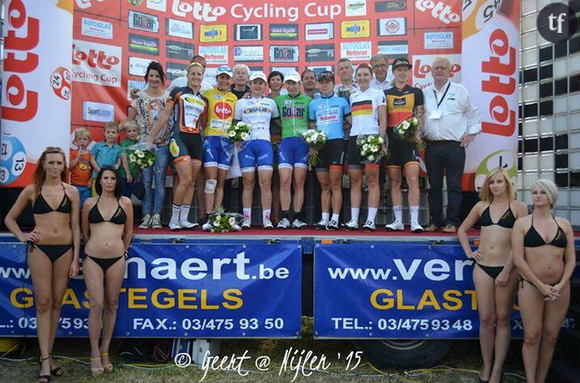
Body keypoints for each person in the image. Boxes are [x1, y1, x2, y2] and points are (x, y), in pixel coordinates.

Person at [4, 147, 80, 383]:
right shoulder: (32, 190)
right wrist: (23, 236)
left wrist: (77, 257)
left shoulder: (73, 191)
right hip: (40, 250)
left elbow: (76, 227)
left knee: (57, 302)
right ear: (44, 165)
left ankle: (49, 354)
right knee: (44, 302)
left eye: (59, 163)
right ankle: (45, 360)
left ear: (63, 166)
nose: (56, 167)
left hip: (65, 250)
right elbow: (9, 218)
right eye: (52, 163)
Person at [458, 168, 528, 383]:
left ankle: (498, 369)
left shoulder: (519, 208)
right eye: (491, 182)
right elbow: (462, 230)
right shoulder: (481, 206)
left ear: (507, 184)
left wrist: (507, 270)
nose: (495, 185)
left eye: (499, 181)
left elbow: (521, 243)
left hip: (507, 268)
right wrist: (470, 253)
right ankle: (487, 367)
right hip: (483, 268)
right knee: (486, 319)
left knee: (503, 318)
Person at [512, 179, 575, 383]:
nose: (537, 196)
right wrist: (541, 286)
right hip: (531, 286)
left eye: (542, 192)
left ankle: (541, 379)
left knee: (550, 337)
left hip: (559, 287)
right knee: (532, 336)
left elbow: (571, 259)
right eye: (534, 192)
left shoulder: (563, 224)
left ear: (551, 196)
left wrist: (560, 284)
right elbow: (518, 259)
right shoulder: (522, 224)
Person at [81, 166, 133, 377]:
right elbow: (84, 231)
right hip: (92, 258)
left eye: (112, 178)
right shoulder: (89, 203)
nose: (109, 181)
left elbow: (129, 231)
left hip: (117, 259)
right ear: (99, 181)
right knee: (96, 305)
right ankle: (94, 352)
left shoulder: (126, 203)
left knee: (112, 304)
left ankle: (105, 351)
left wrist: (124, 251)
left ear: (116, 181)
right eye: (105, 178)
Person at [423, 57, 482, 233]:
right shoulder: (425, 93)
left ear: (450, 72)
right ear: (431, 71)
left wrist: (472, 133)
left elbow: (474, 114)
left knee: (454, 185)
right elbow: (419, 117)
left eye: (443, 68)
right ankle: (434, 221)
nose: (439, 70)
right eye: (436, 68)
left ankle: (452, 222)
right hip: (432, 146)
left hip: (454, 146)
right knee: (434, 186)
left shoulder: (460, 91)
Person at [149, 62, 208, 230]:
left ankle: (184, 219)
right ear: (188, 75)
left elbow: (203, 123)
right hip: (179, 137)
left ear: (202, 77)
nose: (196, 77)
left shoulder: (203, 100)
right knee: (185, 179)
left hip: (196, 141)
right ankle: (173, 219)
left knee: (192, 182)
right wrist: (152, 137)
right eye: (193, 74)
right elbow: (166, 114)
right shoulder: (177, 92)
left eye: (199, 74)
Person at [125, 61, 171, 229]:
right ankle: (146, 216)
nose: (154, 79)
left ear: (162, 78)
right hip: (144, 146)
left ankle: (157, 216)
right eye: (151, 76)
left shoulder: (168, 97)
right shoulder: (140, 97)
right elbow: (130, 120)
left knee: (159, 180)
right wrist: (115, 129)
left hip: (163, 144)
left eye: (157, 76)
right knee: (146, 181)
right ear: (146, 77)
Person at [233, 71, 280, 229]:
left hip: (264, 143)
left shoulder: (271, 103)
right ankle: (247, 219)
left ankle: (266, 219)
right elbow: (235, 125)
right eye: (255, 82)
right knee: (248, 182)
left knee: (265, 183)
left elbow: (277, 123)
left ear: (265, 86)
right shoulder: (241, 103)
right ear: (250, 85)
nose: (258, 85)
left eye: (261, 83)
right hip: (246, 145)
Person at [384, 58, 425, 233]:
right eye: (399, 70)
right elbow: (383, 119)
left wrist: (417, 133)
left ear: (409, 72)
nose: (402, 73)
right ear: (393, 72)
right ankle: (398, 220)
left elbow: (421, 114)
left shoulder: (416, 91)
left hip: (409, 141)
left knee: (413, 179)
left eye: (405, 70)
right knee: (394, 181)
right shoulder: (386, 93)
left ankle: (414, 221)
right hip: (392, 142)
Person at [344, 63, 387, 231]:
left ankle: (370, 220)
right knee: (355, 180)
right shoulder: (352, 95)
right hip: (354, 139)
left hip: (371, 138)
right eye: (359, 75)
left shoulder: (378, 93)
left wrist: (381, 140)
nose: (362, 78)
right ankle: (354, 220)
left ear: (371, 77)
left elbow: (383, 118)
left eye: (365, 75)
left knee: (372, 180)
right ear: (356, 78)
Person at [309, 71, 351, 231]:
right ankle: (324, 218)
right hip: (320, 144)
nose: (325, 85)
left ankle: (335, 219)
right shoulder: (314, 104)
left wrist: (340, 127)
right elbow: (312, 127)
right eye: (322, 82)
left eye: (328, 82)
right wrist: (312, 145)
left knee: (335, 183)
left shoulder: (341, 101)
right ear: (318, 85)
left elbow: (350, 122)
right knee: (324, 184)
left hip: (336, 143)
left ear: (334, 83)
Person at [201, 65, 239, 230]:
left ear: (231, 80)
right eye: (221, 77)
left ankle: (217, 215)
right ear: (217, 79)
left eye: (227, 78)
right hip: (211, 139)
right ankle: (208, 216)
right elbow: (201, 117)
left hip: (227, 143)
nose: (224, 80)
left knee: (221, 183)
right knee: (211, 180)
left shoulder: (234, 98)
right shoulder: (208, 94)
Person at [275, 71, 312, 229]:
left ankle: (297, 217)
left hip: (302, 144)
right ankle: (284, 217)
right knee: (284, 181)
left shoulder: (308, 101)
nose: (291, 86)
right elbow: (276, 120)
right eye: (288, 83)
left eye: (294, 83)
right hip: (286, 142)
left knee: (299, 182)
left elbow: (312, 124)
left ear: (300, 84)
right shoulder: (278, 100)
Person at [267, 71, 285, 224]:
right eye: (273, 79)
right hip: (265, 143)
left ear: (282, 83)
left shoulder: (286, 100)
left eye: (278, 79)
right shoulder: (264, 99)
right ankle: (265, 216)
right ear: (269, 82)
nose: (275, 82)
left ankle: (277, 215)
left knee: (279, 182)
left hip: (282, 142)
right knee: (264, 181)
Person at [90, 122, 122, 196]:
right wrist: (98, 170)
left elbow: (119, 161)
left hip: (110, 177)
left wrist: (115, 167)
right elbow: (92, 159)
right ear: (104, 133)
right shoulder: (98, 146)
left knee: (109, 195)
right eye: (108, 132)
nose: (110, 134)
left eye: (113, 132)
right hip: (97, 175)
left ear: (117, 134)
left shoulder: (118, 148)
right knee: (96, 195)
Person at [69, 128, 93, 207]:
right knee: (75, 205)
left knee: (86, 205)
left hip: (87, 186)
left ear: (89, 141)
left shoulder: (91, 154)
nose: (82, 141)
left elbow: (93, 170)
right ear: (75, 141)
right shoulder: (73, 153)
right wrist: (77, 159)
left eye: (85, 139)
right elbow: (70, 166)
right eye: (79, 139)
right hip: (75, 185)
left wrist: (90, 180)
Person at [119, 121, 140, 198]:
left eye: (134, 131)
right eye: (129, 131)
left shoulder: (137, 143)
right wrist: (128, 173)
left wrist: (137, 176)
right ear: (125, 133)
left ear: (138, 132)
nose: (132, 133)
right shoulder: (125, 143)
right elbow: (124, 158)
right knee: (123, 195)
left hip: (132, 174)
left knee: (128, 195)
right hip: (124, 175)